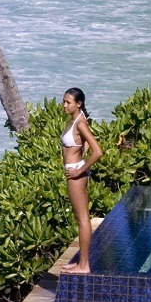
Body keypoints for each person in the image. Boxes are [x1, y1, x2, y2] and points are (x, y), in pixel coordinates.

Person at [61, 86, 102, 272]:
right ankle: (81, 262)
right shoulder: (77, 120)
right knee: (82, 218)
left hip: (76, 174)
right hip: (76, 171)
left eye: (68, 102)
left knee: (83, 219)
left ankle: (84, 265)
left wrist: (79, 171)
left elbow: (98, 152)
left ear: (79, 104)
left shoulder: (80, 123)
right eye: (64, 101)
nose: (64, 105)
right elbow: (82, 146)